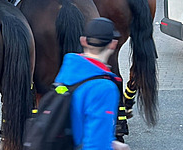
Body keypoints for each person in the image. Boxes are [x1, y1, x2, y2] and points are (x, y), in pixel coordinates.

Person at [54, 18, 129, 150]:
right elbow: (95, 145)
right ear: (113, 44)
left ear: (83, 41)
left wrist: (112, 144)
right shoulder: (104, 88)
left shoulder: (67, 70)